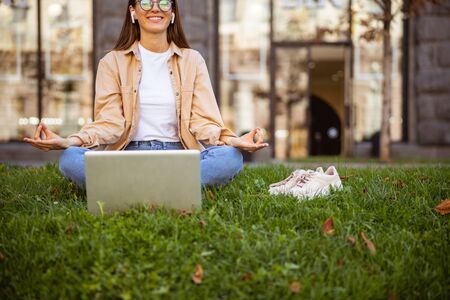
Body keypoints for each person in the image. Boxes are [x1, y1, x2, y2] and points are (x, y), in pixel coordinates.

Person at [24, 0, 268, 189]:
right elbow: (110, 123)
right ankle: (171, 188)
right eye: (146, 2)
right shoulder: (111, 62)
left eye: (163, 2)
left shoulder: (193, 60)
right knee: (70, 158)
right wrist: (70, 141)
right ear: (133, 11)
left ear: (172, 13)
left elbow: (203, 121)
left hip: (178, 155)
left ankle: (131, 188)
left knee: (230, 158)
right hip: (129, 155)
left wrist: (234, 141)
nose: (155, 8)